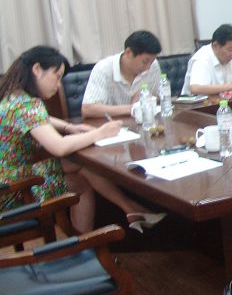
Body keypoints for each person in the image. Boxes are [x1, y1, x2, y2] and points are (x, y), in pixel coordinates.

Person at [0, 46, 165, 233]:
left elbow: (38, 119)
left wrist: (68, 127)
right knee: (82, 181)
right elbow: (59, 147)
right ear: (37, 69)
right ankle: (86, 242)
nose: (58, 85)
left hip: (9, 177)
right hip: (13, 190)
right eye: (57, 76)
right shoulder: (28, 105)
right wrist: (100, 133)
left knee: (83, 167)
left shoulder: (13, 96)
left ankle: (130, 209)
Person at [81, 30, 163, 118]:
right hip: (112, 123)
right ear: (128, 52)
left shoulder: (153, 66)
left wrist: (147, 98)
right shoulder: (103, 69)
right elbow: (87, 109)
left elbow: (159, 96)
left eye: (151, 62)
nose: (148, 68)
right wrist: (133, 108)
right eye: (145, 62)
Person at [182, 24, 232, 95]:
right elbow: (195, 89)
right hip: (196, 104)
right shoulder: (202, 58)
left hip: (222, 101)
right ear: (216, 45)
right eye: (230, 49)